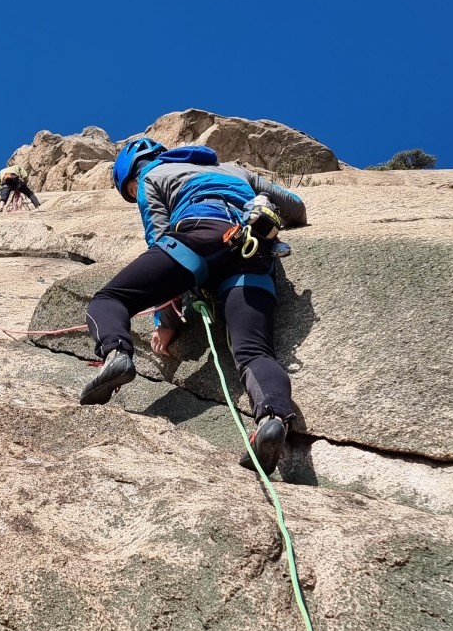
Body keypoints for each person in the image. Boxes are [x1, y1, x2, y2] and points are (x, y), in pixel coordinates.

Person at [79, 137, 308, 475]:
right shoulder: (233, 170)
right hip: (254, 250)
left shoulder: (151, 175)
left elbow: (159, 237)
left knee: (108, 300)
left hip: (197, 235)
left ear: (131, 174)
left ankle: (116, 354)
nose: (133, 194)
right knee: (255, 352)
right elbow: (295, 206)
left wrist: (166, 319)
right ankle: (272, 419)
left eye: (129, 191)